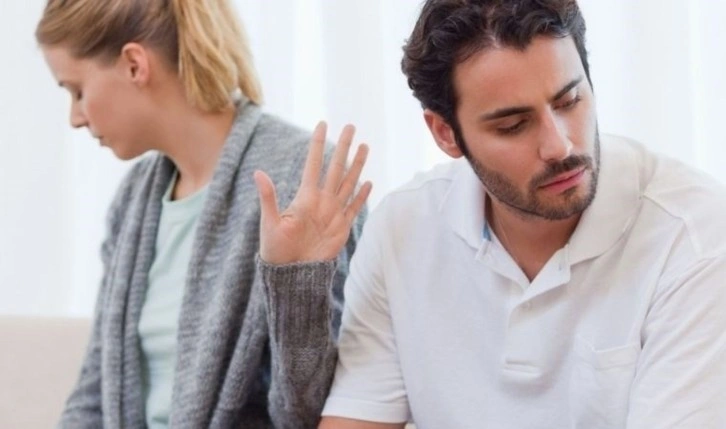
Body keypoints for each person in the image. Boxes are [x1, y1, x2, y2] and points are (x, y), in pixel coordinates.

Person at [318, 0, 726, 428]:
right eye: (513, 125)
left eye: (569, 101)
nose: (560, 146)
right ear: (445, 133)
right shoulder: (402, 227)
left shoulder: (696, 239)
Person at [36, 0, 371, 427]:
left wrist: (296, 284)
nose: (75, 118)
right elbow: (93, 396)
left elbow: (308, 415)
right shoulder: (133, 201)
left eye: (77, 91)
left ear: (135, 65)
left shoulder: (303, 181)